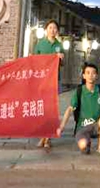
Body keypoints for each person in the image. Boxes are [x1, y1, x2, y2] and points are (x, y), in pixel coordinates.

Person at [56, 63, 100, 157]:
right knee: (84, 147)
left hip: (96, 126)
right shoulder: (79, 91)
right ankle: (87, 143)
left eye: (93, 73)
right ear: (84, 76)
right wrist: (62, 127)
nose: (90, 75)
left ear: (97, 76)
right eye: (88, 73)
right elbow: (70, 109)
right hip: (82, 127)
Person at [34, 19, 64, 150]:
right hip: (42, 80)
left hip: (54, 80)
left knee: (51, 109)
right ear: (46, 29)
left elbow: (61, 64)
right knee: (43, 109)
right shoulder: (40, 44)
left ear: (57, 31)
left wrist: (61, 58)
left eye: (55, 28)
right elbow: (34, 61)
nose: (52, 30)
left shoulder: (59, 45)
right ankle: (44, 136)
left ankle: (47, 138)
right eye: (50, 27)